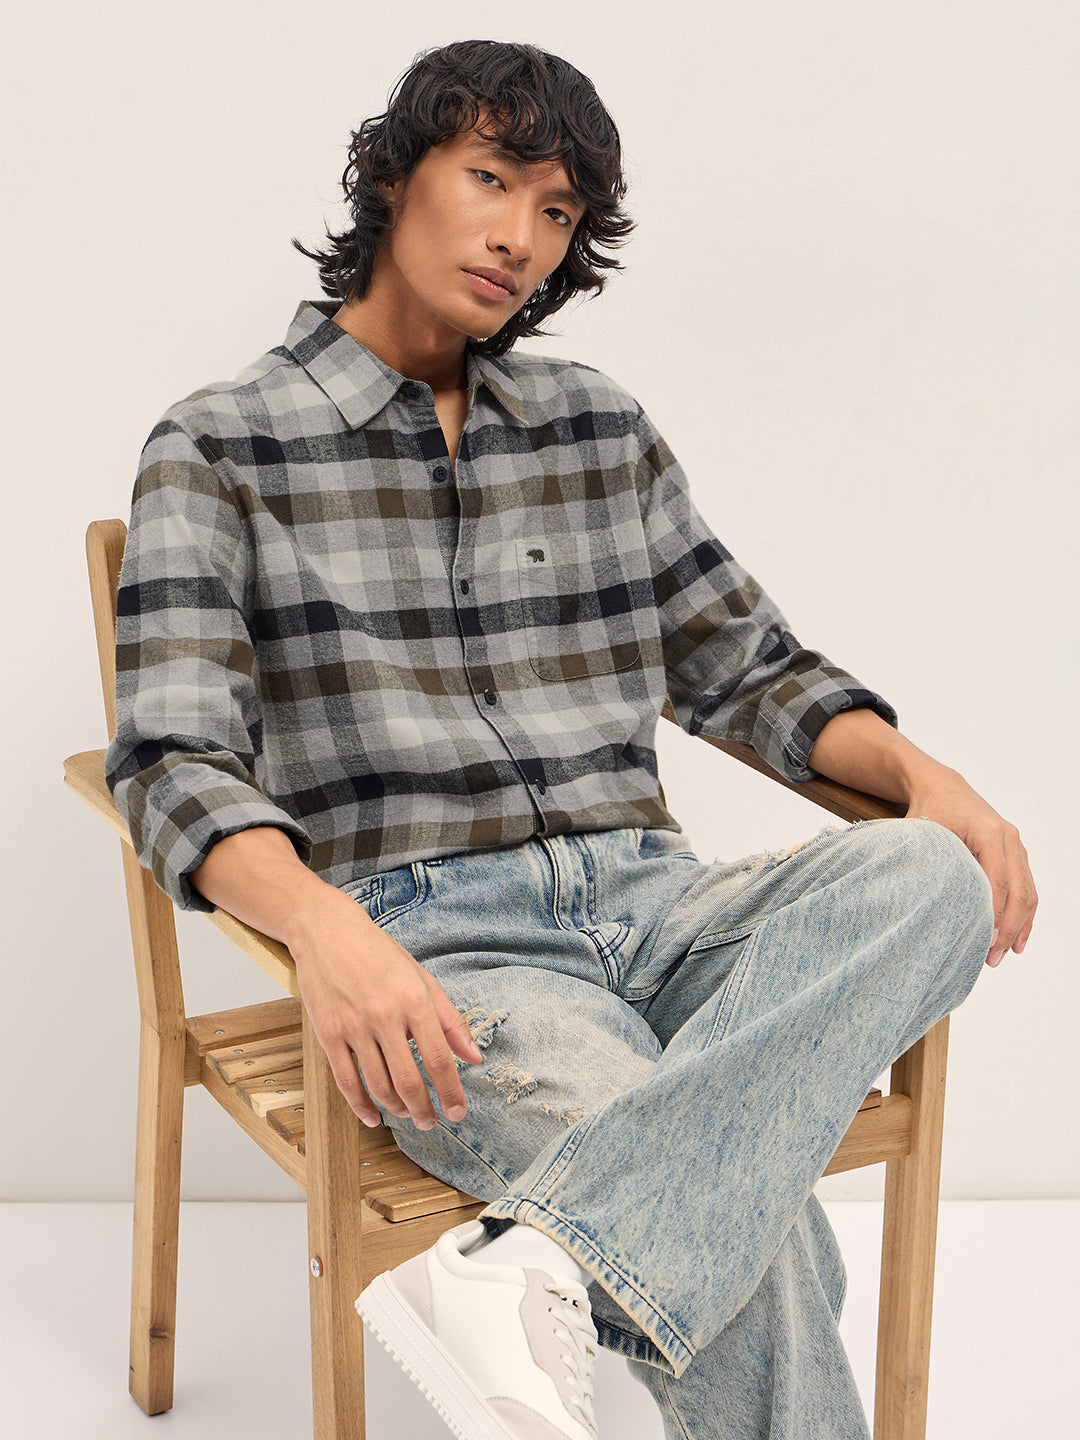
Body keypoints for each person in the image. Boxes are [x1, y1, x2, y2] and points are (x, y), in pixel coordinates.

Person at [105, 38, 1036, 1440]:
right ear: (395, 176)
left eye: (555, 212)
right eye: (492, 179)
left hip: (662, 907)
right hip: (442, 957)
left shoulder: (597, 426)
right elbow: (173, 765)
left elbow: (748, 670)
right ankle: (574, 1250)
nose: (519, 239)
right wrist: (324, 932)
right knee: (750, 1223)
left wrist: (927, 779)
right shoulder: (221, 446)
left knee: (931, 877)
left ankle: (523, 1263)